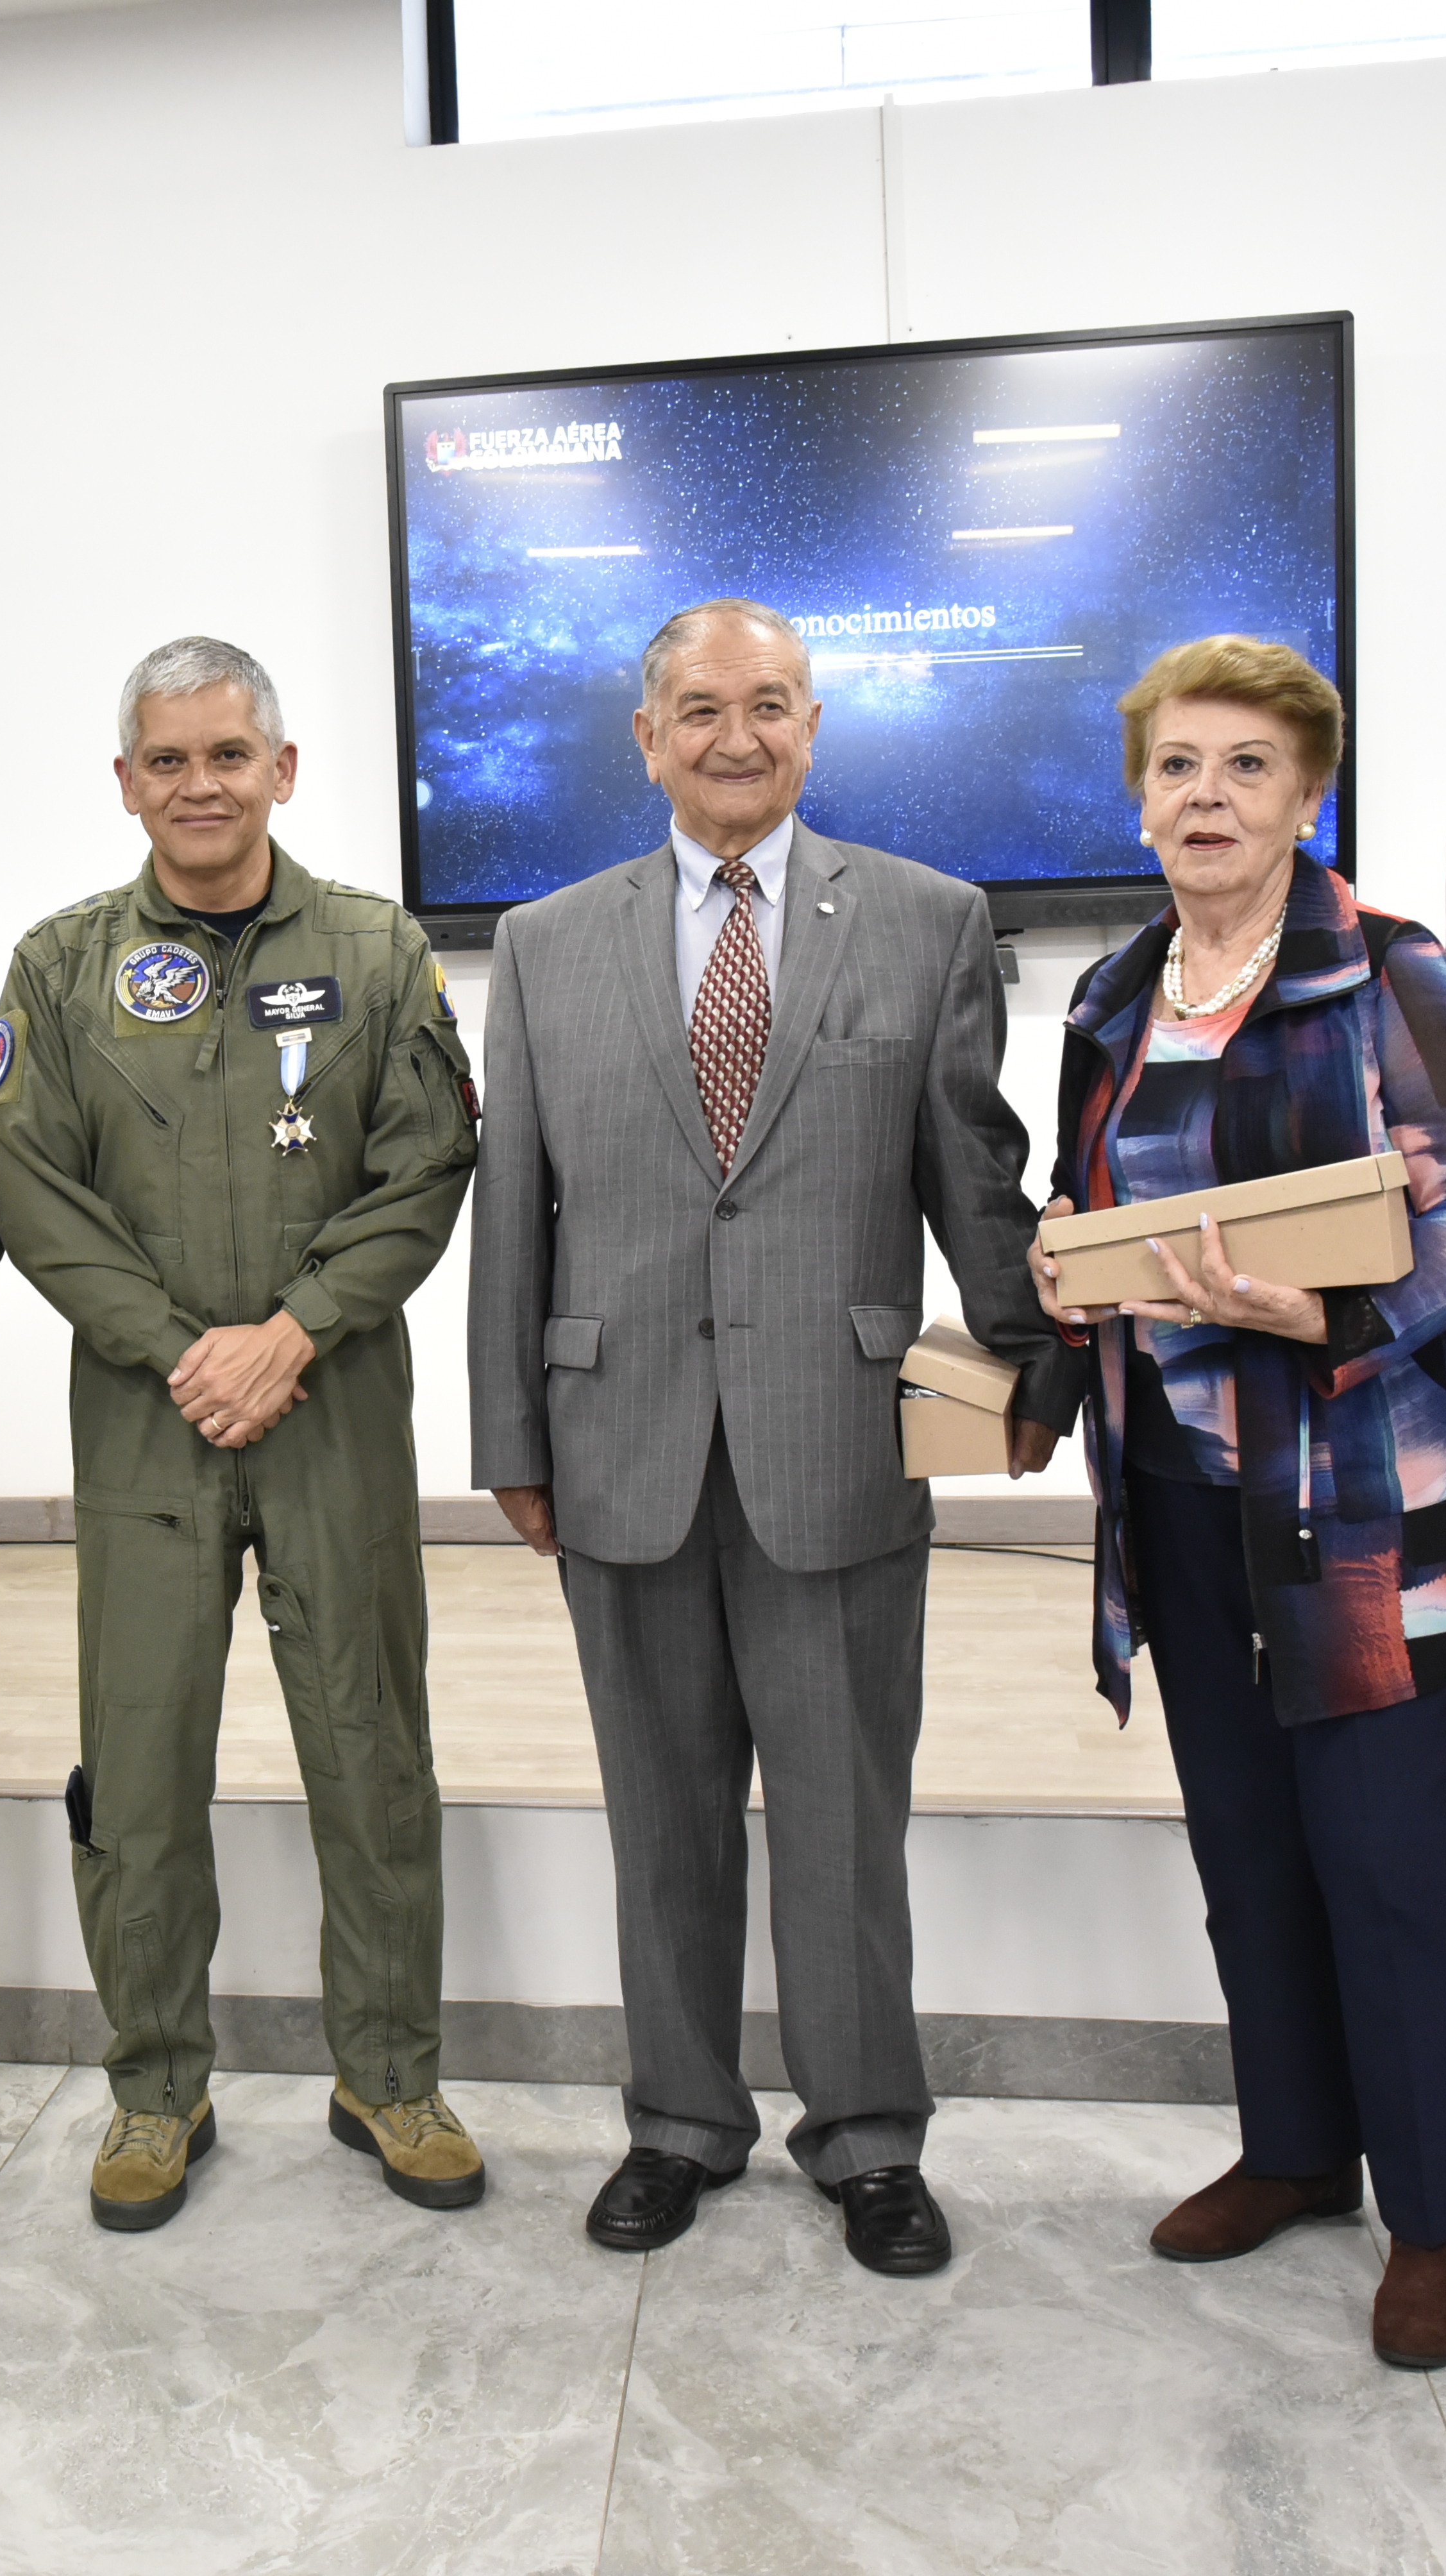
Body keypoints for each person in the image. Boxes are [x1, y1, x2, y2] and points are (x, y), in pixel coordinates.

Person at [468, 598, 1066, 2278]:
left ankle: (870, 2136)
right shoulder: (544, 940)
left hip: (841, 1444)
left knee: (843, 1818)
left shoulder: (929, 922)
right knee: (658, 1816)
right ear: (645, 738)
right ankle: (677, 2122)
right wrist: (510, 1429)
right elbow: (516, 1205)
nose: (740, 738)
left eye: (774, 707)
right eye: (704, 710)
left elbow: (973, 1176)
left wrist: (1033, 1374)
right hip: (617, 1444)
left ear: (816, 727)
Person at [1023, 638, 1446, 2369]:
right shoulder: (1108, 999)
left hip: (1358, 1492)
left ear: (1307, 797)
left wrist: (1318, 1314)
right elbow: (1080, 1203)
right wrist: (1065, 1274)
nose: (1209, 798)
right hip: (1173, 1483)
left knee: (1384, 1853)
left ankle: (1444, 2213)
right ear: (1139, 795)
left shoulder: (1384, 973)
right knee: (1246, 1846)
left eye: (1247, 768)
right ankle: (1301, 2150)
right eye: (1178, 768)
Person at [0, 635, 482, 2233]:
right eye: (167, 759)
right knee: (134, 1767)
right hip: (146, 1419)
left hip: (330, 1408)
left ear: (281, 768)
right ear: (124, 782)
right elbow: (31, 1191)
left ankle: (387, 2074)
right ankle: (152, 2090)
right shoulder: (58, 967)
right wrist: (183, 1350)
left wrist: (294, 1330)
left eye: (227, 754)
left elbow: (423, 1165)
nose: (199, 784)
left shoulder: (377, 948)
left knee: (370, 1748)